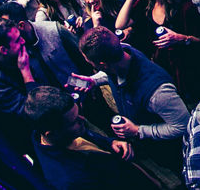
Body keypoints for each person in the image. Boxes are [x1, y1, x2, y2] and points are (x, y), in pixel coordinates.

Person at [78, 27, 191, 171]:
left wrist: (138, 130)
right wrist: (93, 81)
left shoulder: (158, 93)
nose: (91, 66)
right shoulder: (122, 52)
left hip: (175, 151)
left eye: (90, 63)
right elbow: (112, 74)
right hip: (151, 146)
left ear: (102, 64)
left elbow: (183, 125)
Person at [115, 0, 200, 103]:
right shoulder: (146, 2)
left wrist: (181, 38)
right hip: (160, 70)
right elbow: (120, 24)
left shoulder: (185, 8)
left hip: (187, 72)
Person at [24, 86, 149, 189]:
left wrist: (110, 142)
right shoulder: (71, 181)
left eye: (79, 113)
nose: (82, 119)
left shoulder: (49, 131)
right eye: (74, 121)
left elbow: (85, 135)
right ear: (50, 133)